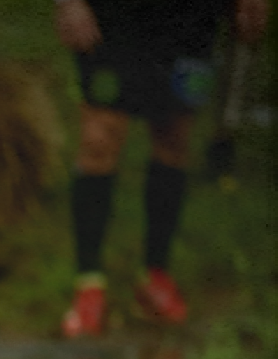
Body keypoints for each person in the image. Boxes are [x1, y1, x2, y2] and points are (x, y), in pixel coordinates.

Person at [56, 0, 268, 338]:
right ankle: (89, 285)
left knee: (175, 135)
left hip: (191, 19)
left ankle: (155, 276)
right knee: (100, 137)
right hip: (114, 18)